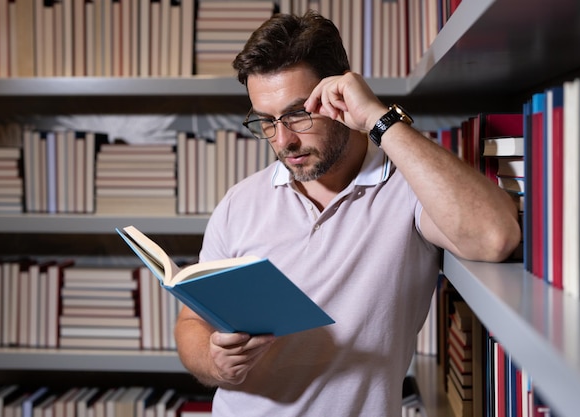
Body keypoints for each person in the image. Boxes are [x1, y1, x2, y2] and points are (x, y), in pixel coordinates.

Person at [175, 10, 521, 417]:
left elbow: (495, 236)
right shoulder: (239, 203)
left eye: (297, 114)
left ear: (338, 92)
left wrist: (377, 117)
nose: (283, 141)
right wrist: (214, 362)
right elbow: (190, 324)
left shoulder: (408, 187)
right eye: (267, 121)